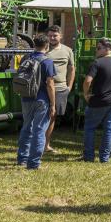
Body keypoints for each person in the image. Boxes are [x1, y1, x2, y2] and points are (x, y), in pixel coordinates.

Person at [82, 39, 111, 163]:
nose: (96, 50)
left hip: (98, 100)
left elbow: (87, 81)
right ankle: (104, 158)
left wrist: (86, 94)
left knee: (90, 128)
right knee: (109, 129)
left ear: (108, 49)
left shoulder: (97, 63)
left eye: (98, 48)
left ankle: (89, 157)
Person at [16, 34, 56, 170]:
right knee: (39, 130)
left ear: (34, 44)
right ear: (47, 46)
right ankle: (33, 163)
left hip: (26, 97)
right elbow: (50, 84)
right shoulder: (47, 61)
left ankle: (22, 159)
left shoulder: (25, 58)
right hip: (42, 99)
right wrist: (53, 104)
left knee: (26, 128)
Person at [44, 25, 74, 153]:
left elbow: (72, 69)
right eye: (50, 35)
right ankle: (39, 144)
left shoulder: (68, 50)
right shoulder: (43, 50)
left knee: (52, 117)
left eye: (55, 35)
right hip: (43, 88)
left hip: (60, 89)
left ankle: (46, 145)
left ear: (60, 36)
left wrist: (69, 86)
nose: (52, 38)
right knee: (41, 116)